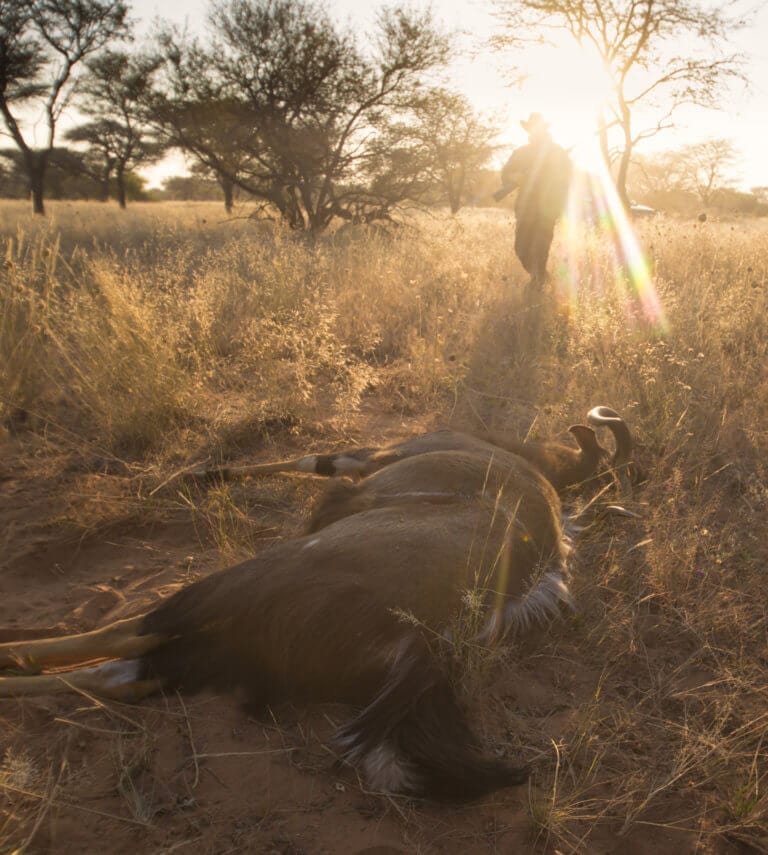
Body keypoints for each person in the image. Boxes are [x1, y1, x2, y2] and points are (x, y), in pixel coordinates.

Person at [495, 113, 572, 286]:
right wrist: (516, 178)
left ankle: (537, 285)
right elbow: (506, 173)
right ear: (529, 129)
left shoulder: (556, 151)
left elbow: (569, 177)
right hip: (525, 205)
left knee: (540, 247)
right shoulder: (521, 152)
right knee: (521, 248)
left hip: (548, 207)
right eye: (532, 128)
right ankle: (542, 277)